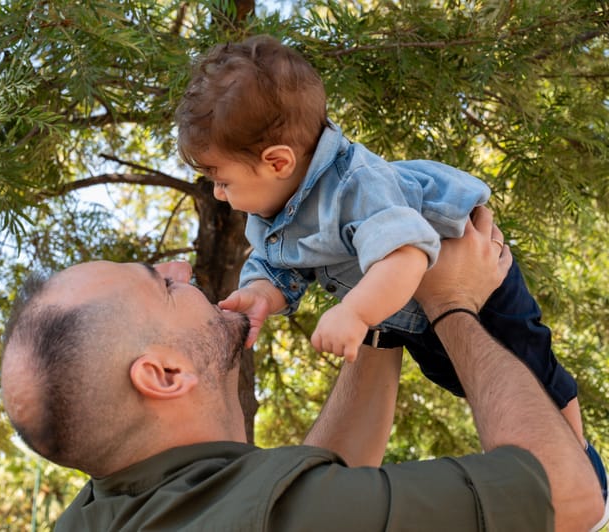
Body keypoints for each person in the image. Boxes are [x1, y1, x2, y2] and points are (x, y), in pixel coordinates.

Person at [175, 33, 606, 501]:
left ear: (277, 161)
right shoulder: (276, 214)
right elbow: (278, 267)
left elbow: (407, 255)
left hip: (482, 291)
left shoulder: (357, 184)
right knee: (466, 384)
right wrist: (260, 295)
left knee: (533, 373)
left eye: (222, 180)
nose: (218, 194)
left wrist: (356, 313)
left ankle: (581, 462)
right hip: (415, 316)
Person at [0, 207, 606, 531]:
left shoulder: (107, 511)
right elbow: (570, 499)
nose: (182, 269)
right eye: (160, 285)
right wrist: (451, 302)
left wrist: (378, 316)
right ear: (162, 375)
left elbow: (299, 487)